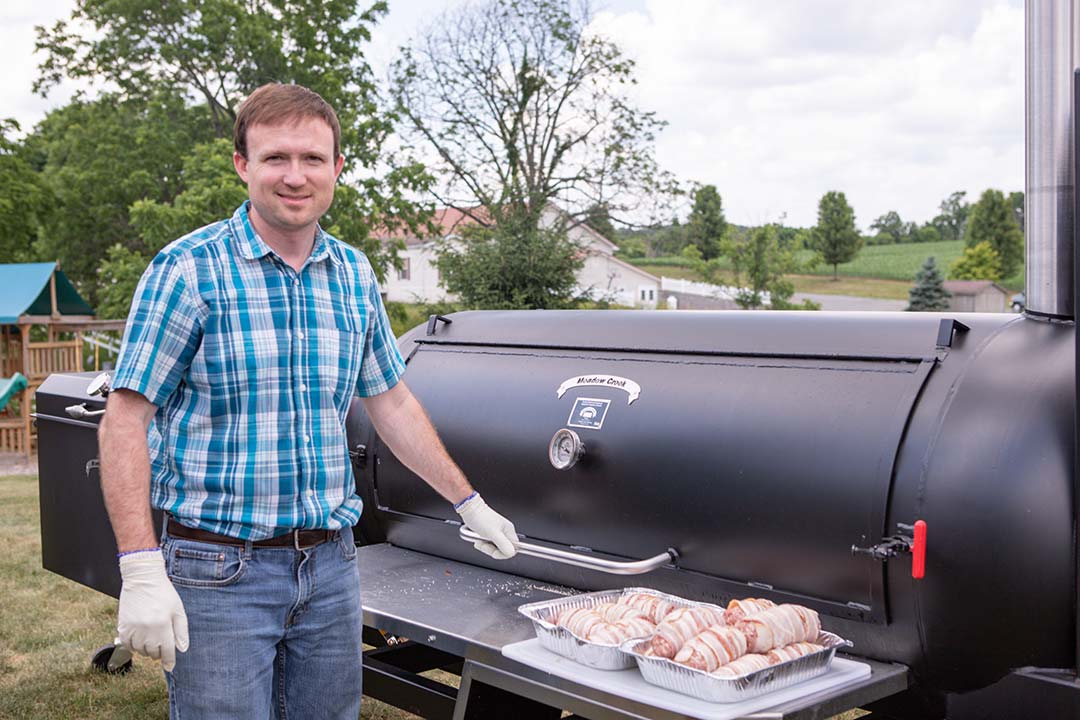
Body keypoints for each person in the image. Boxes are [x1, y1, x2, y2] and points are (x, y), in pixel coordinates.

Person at [97, 83, 519, 719]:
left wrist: (469, 502)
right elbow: (125, 420)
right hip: (218, 572)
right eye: (275, 158)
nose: (295, 177)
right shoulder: (187, 271)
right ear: (243, 165)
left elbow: (392, 401)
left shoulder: (352, 273)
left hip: (331, 570)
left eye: (313, 159)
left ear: (337, 169)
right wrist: (139, 567)